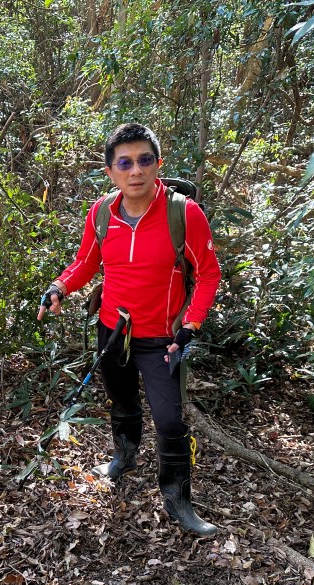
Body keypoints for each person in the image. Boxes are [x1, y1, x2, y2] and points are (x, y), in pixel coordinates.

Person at [37, 123, 222, 537]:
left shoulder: (183, 214)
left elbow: (209, 274)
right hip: (113, 331)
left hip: (162, 339)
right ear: (110, 171)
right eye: (125, 163)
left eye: (144, 160)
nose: (135, 170)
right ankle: (125, 455)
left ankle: (177, 499)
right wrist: (60, 287)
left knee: (170, 421)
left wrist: (191, 324)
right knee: (120, 400)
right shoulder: (102, 212)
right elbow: (86, 261)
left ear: (158, 164)